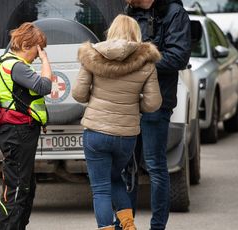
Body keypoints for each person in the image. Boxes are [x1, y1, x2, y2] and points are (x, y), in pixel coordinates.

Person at [72, 14, 162, 230]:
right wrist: (131, 106)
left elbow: (78, 93)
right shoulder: (146, 63)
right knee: (115, 179)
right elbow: (153, 103)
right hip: (126, 136)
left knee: (101, 188)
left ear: (111, 31)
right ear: (135, 33)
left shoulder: (92, 56)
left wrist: (94, 98)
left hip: (96, 132)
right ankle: (129, 226)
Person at [122, 0, 192, 230]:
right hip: (128, 103)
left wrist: (139, 61)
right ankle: (125, 224)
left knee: (155, 166)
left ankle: (158, 226)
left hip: (156, 104)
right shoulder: (129, 12)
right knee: (126, 167)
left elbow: (179, 57)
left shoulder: (174, 13)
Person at [0, 22, 52, 230]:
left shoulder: (10, 63)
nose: (37, 55)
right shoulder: (16, 66)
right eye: (37, 50)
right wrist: (46, 60)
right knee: (17, 189)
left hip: (17, 132)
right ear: (27, 44)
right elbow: (45, 86)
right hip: (16, 133)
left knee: (24, 187)